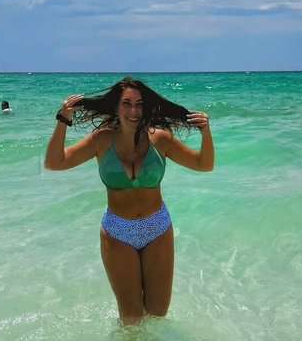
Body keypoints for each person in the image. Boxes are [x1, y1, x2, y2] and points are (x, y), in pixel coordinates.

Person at [45, 77, 214, 325]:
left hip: (157, 228)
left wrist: (205, 132)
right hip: (118, 231)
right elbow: (54, 162)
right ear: (116, 107)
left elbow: (204, 164)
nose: (133, 111)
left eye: (139, 104)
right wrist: (63, 120)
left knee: (157, 314)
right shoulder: (101, 139)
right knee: (131, 317)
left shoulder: (160, 139)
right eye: (126, 103)